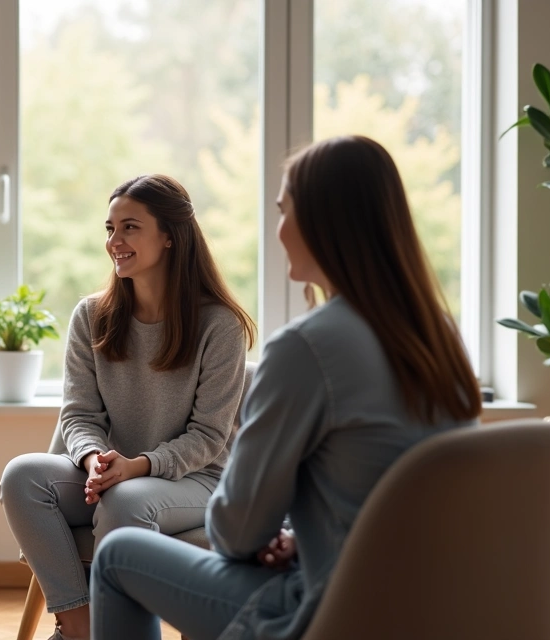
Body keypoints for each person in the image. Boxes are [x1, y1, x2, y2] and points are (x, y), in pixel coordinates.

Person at [90, 135, 482, 640]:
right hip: (434, 604)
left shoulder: (306, 348)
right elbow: (409, 493)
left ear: (324, 222)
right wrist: (309, 540)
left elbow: (236, 531)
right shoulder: (441, 337)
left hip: (336, 610)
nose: (278, 230)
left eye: (283, 211)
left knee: (119, 555)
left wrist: (281, 538)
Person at [0, 174, 256, 640]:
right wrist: (95, 458)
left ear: (170, 237)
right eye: (109, 228)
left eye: (130, 227)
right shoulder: (91, 316)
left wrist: (140, 466)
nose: (114, 241)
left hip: (197, 479)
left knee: (125, 500)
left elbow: (209, 437)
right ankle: (79, 625)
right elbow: (78, 415)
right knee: (21, 475)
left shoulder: (220, 326)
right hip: (112, 471)